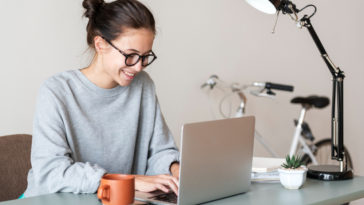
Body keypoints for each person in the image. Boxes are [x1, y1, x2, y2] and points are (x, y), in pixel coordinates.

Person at [22, 0, 180, 198]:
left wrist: (175, 169)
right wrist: (128, 181)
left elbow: (159, 151)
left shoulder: (142, 85)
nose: (138, 67)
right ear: (100, 44)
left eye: (145, 56)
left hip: (114, 200)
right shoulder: (57, 91)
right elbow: (52, 172)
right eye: (131, 55)